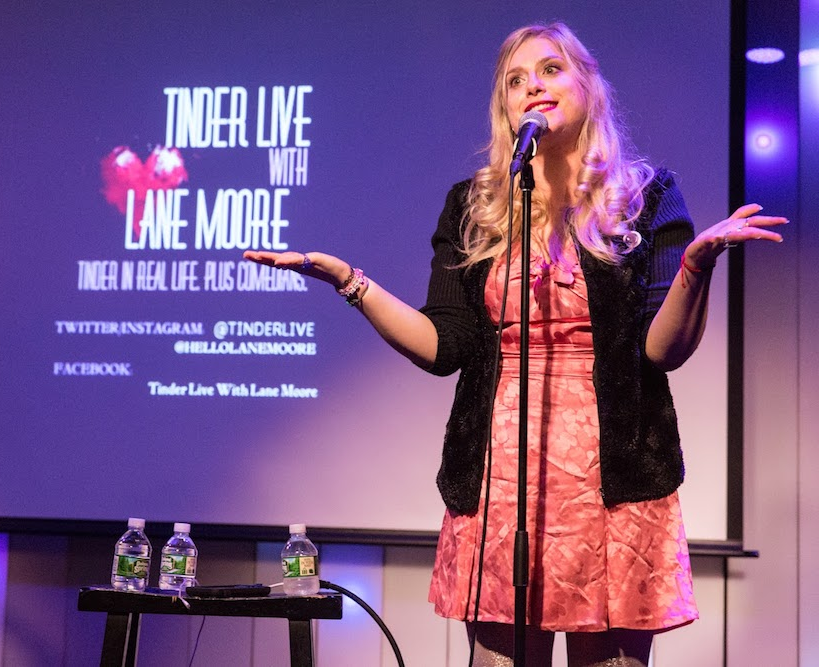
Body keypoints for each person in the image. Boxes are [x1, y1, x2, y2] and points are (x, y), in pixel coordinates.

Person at [244, 22, 786, 667]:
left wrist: (696, 265)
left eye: (551, 69)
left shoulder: (646, 198)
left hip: (614, 480)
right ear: (505, 107)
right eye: (516, 80)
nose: (534, 87)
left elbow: (661, 351)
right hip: (501, 479)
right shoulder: (475, 207)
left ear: (589, 85)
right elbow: (443, 346)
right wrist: (349, 282)